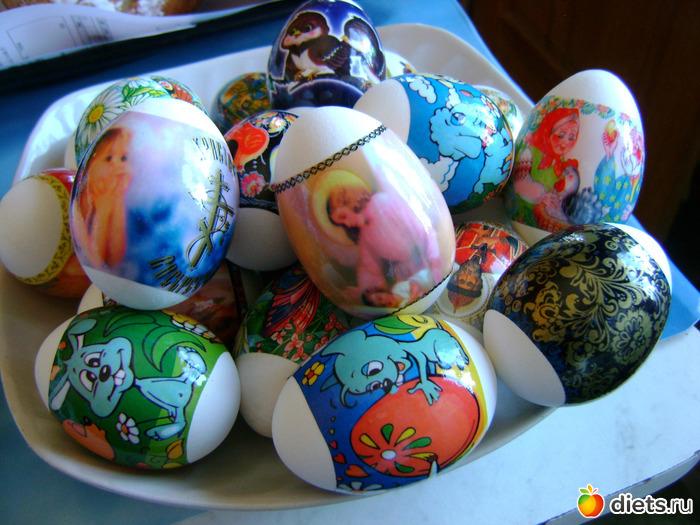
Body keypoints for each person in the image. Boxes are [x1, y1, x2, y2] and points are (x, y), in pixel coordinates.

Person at [325, 183, 443, 309]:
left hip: (426, 258)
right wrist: (363, 292)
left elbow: (421, 226)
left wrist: (433, 256)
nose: (347, 224)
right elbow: (369, 268)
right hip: (406, 277)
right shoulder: (365, 235)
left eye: (343, 217)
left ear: (351, 202)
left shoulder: (382, 203)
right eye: (341, 223)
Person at [72, 126, 133, 268]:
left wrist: (118, 201)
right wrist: (102, 213)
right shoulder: (79, 200)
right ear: (90, 164)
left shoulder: (112, 196)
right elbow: (95, 263)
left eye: (123, 158)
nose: (117, 166)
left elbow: (115, 258)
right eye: (108, 158)